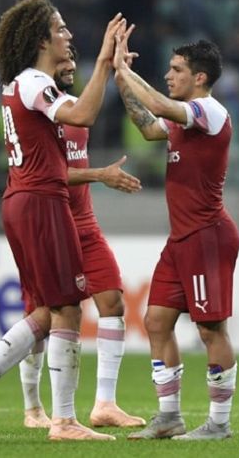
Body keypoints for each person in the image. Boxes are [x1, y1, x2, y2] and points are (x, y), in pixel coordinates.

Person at [0, 0, 126, 441]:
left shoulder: (21, 84)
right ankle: (60, 420)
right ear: (40, 38)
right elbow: (83, 112)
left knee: (53, 308)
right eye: (61, 28)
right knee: (65, 307)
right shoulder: (33, 83)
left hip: (25, 198)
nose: (68, 36)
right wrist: (104, 62)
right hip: (42, 199)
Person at [113, 33, 239, 441]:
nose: (168, 75)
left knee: (210, 330)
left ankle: (218, 424)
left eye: (177, 70)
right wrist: (119, 79)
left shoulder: (210, 111)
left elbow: (157, 105)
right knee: (156, 321)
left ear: (199, 77)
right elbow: (149, 127)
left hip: (207, 236)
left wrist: (124, 69)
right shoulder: (185, 118)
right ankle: (169, 417)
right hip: (182, 238)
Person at [18, 45, 145, 430]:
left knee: (112, 301)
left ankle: (104, 402)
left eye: (75, 62)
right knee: (41, 314)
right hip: (50, 222)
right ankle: (32, 407)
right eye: (65, 62)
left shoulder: (75, 108)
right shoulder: (39, 115)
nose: (71, 66)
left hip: (84, 223)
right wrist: (100, 175)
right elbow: (48, 173)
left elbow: (94, 103)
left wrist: (117, 68)